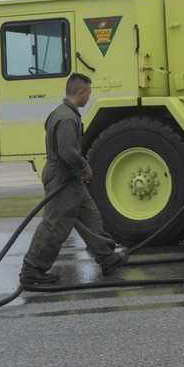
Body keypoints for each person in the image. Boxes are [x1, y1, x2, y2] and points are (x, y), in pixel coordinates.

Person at [19, 73, 128, 286]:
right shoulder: (67, 117)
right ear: (82, 91)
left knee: (89, 214)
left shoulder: (60, 113)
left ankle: (107, 258)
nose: (89, 96)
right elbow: (68, 151)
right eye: (89, 92)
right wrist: (84, 168)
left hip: (67, 176)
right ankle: (32, 269)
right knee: (55, 224)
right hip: (63, 175)